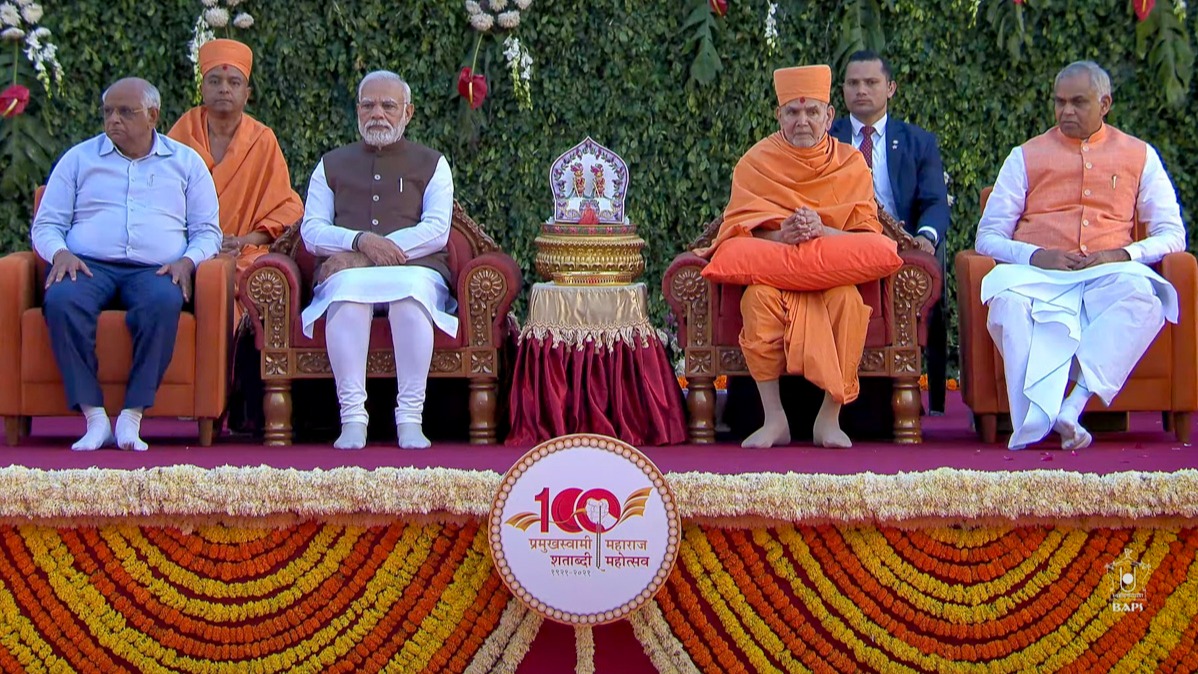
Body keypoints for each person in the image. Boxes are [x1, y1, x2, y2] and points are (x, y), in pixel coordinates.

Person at [975, 60, 1185, 450]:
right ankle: (1039, 420)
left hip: (1106, 273)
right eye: (1059, 102)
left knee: (1148, 301)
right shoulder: (1024, 155)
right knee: (1006, 307)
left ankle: (1072, 406)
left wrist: (1121, 254)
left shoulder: (1140, 155)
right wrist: (1037, 256)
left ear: (1105, 103)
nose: (1065, 112)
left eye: (1078, 103)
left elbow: (1173, 234)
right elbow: (987, 236)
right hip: (1037, 276)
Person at [30, 77, 222, 451]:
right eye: (108, 112)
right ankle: (95, 418)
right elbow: (47, 223)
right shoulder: (78, 159)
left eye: (125, 112)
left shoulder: (186, 163)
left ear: (153, 115)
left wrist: (188, 261)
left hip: (157, 270)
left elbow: (208, 231)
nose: (113, 120)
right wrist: (60, 252)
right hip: (87, 266)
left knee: (164, 303)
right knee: (62, 301)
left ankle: (132, 418)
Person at [696, 64, 882, 449]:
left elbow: (865, 232)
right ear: (778, 115)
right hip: (776, 277)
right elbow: (739, 228)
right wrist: (782, 234)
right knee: (757, 300)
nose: (802, 121)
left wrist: (821, 230)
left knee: (848, 301)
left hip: (831, 278)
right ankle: (774, 418)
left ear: (829, 116)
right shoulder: (755, 162)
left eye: (812, 112)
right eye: (793, 112)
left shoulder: (850, 164)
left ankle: (829, 418)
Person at [299, 70, 457, 450]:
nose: (378, 114)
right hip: (346, 273)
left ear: (408, 112)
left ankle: (410, 418)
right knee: (348, 295)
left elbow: (436, 230)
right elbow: (311, 230)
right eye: (368, 105)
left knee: (410, 294)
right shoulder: (330, 164)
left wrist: (365, 256)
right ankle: (352, 418)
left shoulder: (433, 163)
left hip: (417, 270)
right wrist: (359, 241)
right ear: (357, 110)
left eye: (388, 106)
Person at [830, 49, 951, 412]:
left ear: (891, 88)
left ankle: (933, 401)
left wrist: (927, 237)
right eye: (853, 83)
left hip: (899, 247)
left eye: (871, 82)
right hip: (839, 243)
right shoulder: (825, 138)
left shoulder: (917, 141)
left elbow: (934, 202)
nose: (861, 90)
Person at [167, 38, 303, 324]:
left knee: (247, 274)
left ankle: (232, 365)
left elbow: (283, 210)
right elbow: (160, 199)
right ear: (202, 88)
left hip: (241, 251)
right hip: (185, 248)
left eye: (234, 82)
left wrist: (241, 241)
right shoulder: (182, 134)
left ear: (247, 93)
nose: (224, 88)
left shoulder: (262, 140)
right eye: (214, 81)